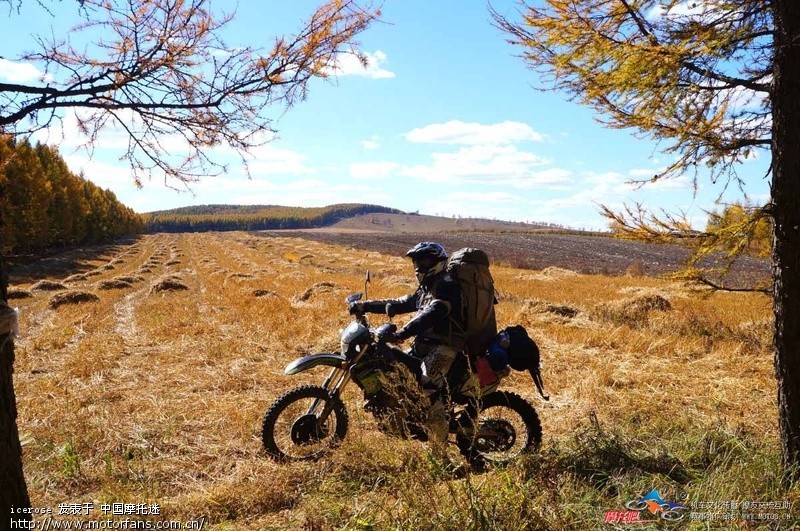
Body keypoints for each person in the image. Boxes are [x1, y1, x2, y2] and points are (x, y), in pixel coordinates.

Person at [349, 241, 466, 459]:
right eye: (416, 261)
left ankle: (441, 456)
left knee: (427, 385)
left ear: (437, 262)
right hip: (425, 344)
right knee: (396, 370)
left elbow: (432, 313)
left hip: (447, 347)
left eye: (424, 260)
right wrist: (365, 305)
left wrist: (402, 333)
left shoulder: (447, 285)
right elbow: (400, 303)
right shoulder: (426, 287)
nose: (419, 266)